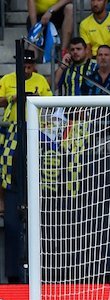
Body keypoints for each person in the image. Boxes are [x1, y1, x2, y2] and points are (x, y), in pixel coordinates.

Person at [0, 50, 52, 204]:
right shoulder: (7, 79)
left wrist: (37, 99)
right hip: (11, 129)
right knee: (4, 164)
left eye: (29, 65)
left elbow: (50, 103)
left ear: (34, 65)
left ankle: (38, 201)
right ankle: (2, 200)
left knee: (36, 166)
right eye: (23, 65)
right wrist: (13, 98)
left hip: (35, 130)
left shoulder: (40, 80)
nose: (26, 68)